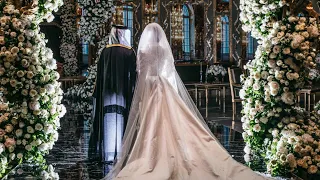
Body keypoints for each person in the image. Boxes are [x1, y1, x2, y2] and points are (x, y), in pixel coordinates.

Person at [104, 23, 269, 180]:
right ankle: (173, 150)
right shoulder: (162, 49)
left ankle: (154, 153)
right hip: (164, 86)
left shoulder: (143, 52)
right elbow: (169, 70)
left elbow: (140, 74)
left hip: (150, 86)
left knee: (152, 121)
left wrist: (140, 96)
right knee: (171, 119)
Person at [89, 25, 136, 164]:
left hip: (107, 92)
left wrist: (97, 90)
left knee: (108, 119)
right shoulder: (129, 51)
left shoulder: (105, 51)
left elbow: (99, 74)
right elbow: (133, 75)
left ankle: (108, 152)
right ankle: (122, 151)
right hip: (123, 92)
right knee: (122, 118)